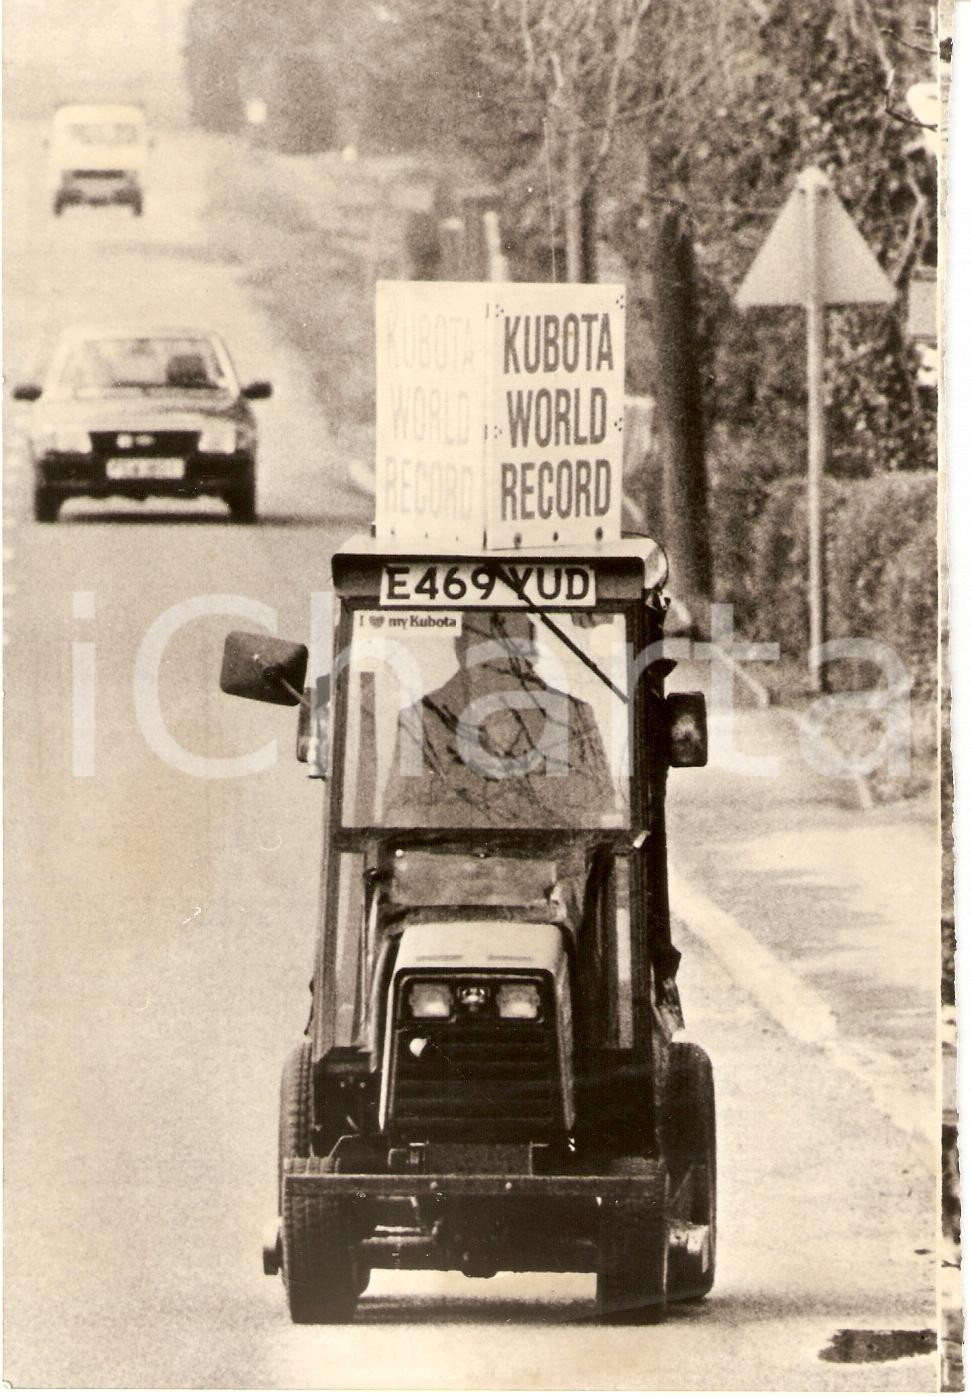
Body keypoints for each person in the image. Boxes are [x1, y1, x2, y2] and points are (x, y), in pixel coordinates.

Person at [382, 611, 618, 829]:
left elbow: (599, 814)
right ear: (462, 652)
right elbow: (400, 817)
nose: (498, 671)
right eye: (486, 656)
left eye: (508, 660)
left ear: (530, 656)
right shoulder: (423, 719)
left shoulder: (573, 716)